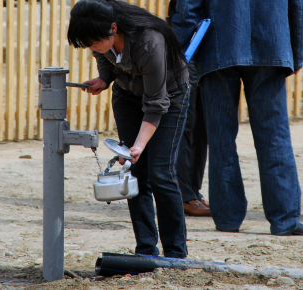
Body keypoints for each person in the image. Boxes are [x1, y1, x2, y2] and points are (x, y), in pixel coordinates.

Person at [67, 0, 190, 257]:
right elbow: (105, 56)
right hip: (127, 95)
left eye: (94, 42)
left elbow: (157, 104)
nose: (92, 48)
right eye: (87, 44)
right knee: (133, 173)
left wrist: (139, 144)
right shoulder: (102, 40)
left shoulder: (149, 43)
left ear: (113, 28)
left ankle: (176, 254)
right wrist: (104, 78)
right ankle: (146, 249)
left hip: (168, 98)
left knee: (161, 173)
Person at [172, 0, 303, 235]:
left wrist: (179, 53)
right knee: (275, 137)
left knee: (221, 139)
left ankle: (227, 219)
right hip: (272, 45)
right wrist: (297, 52)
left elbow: (186, 9)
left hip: (218, 48)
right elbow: (298, 6)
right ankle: (285, 220)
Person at [167, 0, 210, 217]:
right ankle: (184, 194)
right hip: (188, 45)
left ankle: (193, 190)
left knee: (199, 125)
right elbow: (184, 12)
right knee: (185, 122)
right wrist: (179, 55)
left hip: (205, 47)